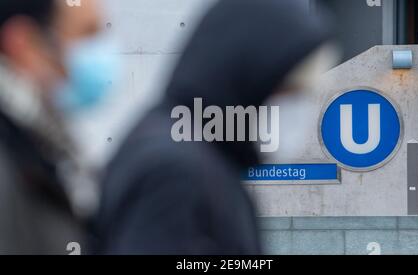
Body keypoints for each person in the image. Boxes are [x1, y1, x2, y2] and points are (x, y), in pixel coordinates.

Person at [93, 0, 333, 255]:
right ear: (248, 72)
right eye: (288, 91)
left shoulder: (195, 153)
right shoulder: (175, 171)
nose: (295, 107)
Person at [0, 0, 118, 254]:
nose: (104, 50)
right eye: (88, 34)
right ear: (24, 44)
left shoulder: (39, 144)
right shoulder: (14, 160)